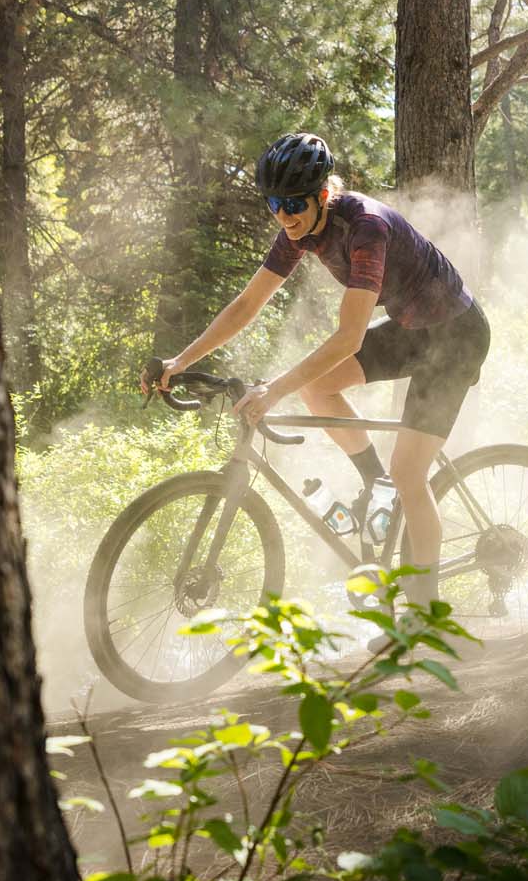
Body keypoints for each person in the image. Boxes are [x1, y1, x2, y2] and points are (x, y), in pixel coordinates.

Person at [144, 132, 489, 627]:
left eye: (293, 203)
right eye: (273, 204)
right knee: (318, 385)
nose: (284, 216)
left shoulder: (365, 227)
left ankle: (423, 616)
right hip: (413, 329)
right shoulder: (297, 232)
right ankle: (377, 484)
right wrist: (180, 359)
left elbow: (349, 337)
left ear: (323, 194)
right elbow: (246, 305)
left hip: (457, 336)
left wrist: (272, 389)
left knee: (412, 474)